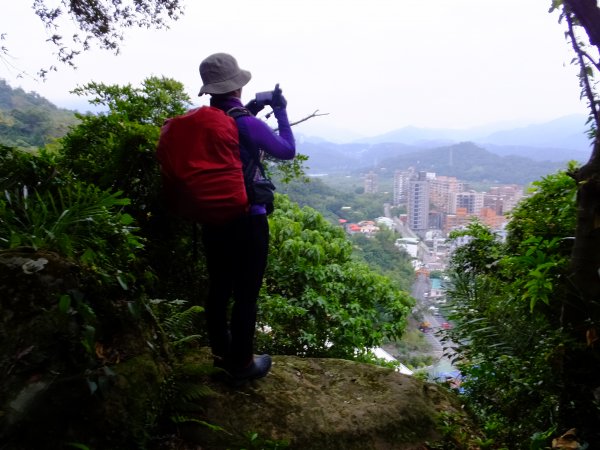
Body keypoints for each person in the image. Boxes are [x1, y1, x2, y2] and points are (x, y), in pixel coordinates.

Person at [197, 53, 295, 385]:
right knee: (246, 294)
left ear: (210, 90)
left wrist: (247, 111)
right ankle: (241, 365)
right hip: (247, 219)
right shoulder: (246, 123)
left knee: (219, 288)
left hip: (211, 218)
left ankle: (220, 355)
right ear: (238, 86)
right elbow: (286, 150)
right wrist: (279, 110)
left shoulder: (202, 121)